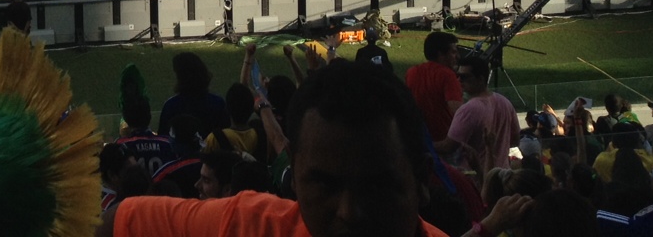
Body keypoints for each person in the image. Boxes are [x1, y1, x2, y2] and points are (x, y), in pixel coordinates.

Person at [110, 60, 459, 237]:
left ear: (421, 180)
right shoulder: (249, 224)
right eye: (325, 184)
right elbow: (117, 222)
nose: (349, 212)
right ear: (295, 175)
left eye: (376, 185)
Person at [440, 51, 520, 178]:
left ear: (481, 79)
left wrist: (424, 144)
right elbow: (515, 139)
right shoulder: (505, 102)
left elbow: (448, 146)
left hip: (477, 177)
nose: (459, 80)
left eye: (465, 77)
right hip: (504, 175)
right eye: (458, 75)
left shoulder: (468, 109)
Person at [405, 31, 463, 143]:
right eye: (453, 52)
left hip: (420, 140)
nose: (457, 57)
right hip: (445, 142)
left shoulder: (411, 72)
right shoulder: (447, 75)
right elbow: (459, 113)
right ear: (441, 54)